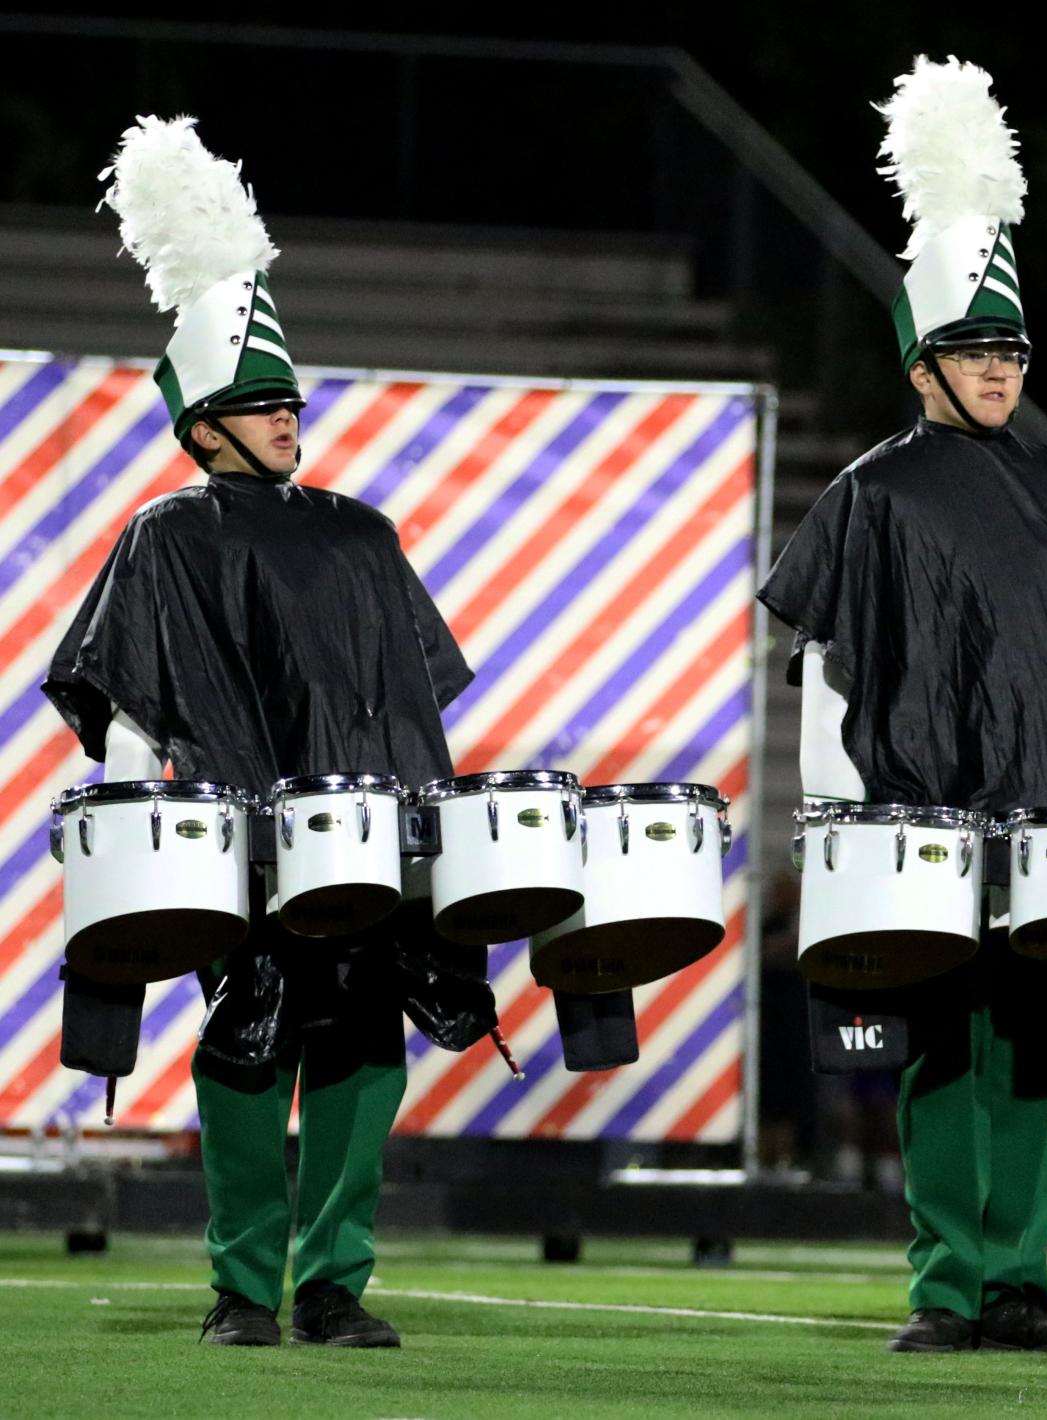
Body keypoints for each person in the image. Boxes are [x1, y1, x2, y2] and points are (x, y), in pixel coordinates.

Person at [45, 116, 491, 1349]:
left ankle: (337, 1282)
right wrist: (140, 835)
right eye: (256, 402)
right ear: (201, 426)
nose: (286, 417)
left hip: (370, 835)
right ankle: (246, 1287)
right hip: (232, 847)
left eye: (290, 398)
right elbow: (132, 697)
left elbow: (415, 696)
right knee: (248, 1049)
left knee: (362, 1055)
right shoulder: (163, 535)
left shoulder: (365, 530)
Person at [758, 58, 1047, 1355]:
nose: (998, 368)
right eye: (972, 349)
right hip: (931, 820)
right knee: (946, 1053)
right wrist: (875, 803)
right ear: (921, 362)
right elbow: (828, 653)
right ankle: (948, 1289)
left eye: (1009, 348)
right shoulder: (873, 493)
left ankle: (1022, 1282)